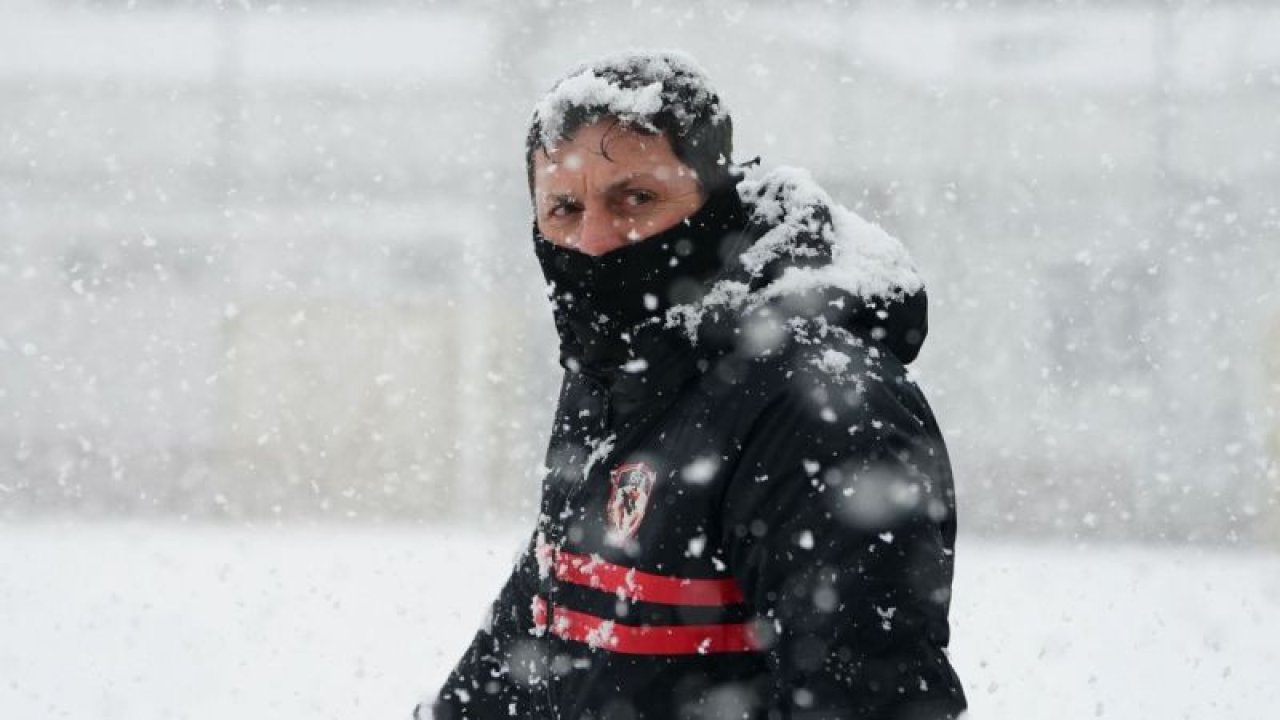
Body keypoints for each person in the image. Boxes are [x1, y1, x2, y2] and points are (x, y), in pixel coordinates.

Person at [423, 51, 967, 720]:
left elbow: (866, 697)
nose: (593, 240)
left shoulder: (819, 405)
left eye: (636, 198)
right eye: (564, 208)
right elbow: (542, 623)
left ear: (714, 205)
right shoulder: (615, 379)